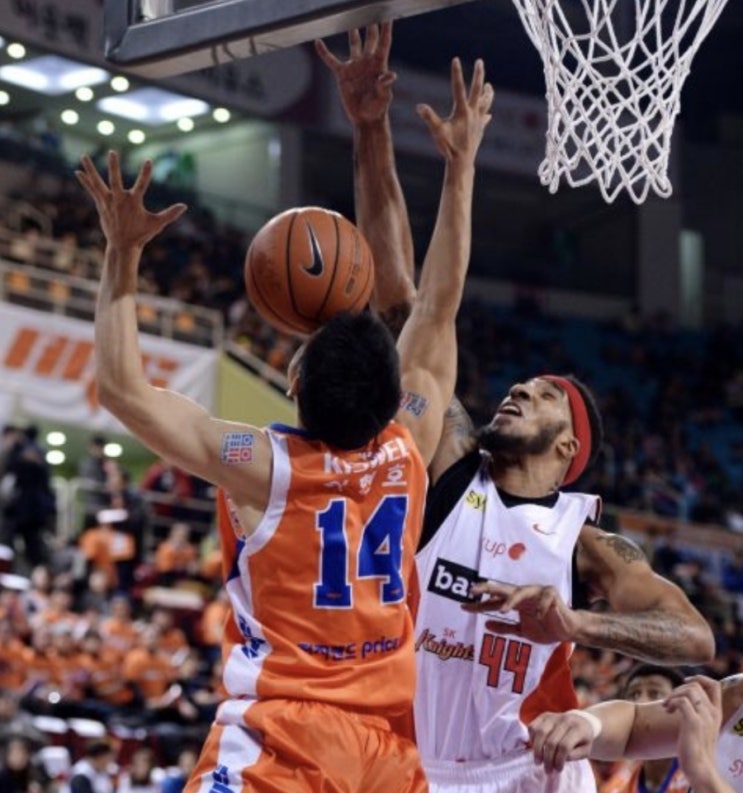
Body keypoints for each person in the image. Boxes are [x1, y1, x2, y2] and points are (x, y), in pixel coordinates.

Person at [76, 46, 493, 792]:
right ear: (394, 391)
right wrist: (459, 169)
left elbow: (123, 389)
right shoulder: (410, 438)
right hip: (394, 750)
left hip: (285, 736)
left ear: (293, 382)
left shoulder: (259, 463)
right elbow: (437, 302)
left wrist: (123, 253)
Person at [317, 21, 715, 793]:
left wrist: (573, 622)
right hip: (415, 773)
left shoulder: (584, 542)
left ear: (568, 448)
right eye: (520, 384)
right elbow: (409, 307)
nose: (518, 390)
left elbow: (692, 636)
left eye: (542, 396)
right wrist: (370, 131)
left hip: (529, 773)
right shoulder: (450, 467)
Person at [529, 674, 741, 793]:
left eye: (654, 692)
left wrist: (703, 773)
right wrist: (589, 723)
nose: (642, 698)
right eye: (635, 693)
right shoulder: (736, 694)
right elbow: (634, 723)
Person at [598, 664, 688, 793]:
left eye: (655, 693)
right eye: (634, 695)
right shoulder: (613, 789)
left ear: (681, 706)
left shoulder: (710, 774)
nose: (640, 702)